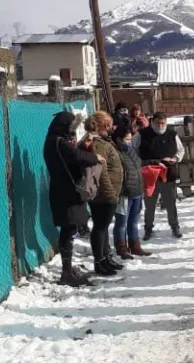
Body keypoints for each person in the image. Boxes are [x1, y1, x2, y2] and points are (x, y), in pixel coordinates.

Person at [43, 111, 101, 287]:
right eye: (70, 127)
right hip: (66, 192)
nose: (72, 131)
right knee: (68, 230)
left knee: (70, 229)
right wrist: (95, 157)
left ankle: (67, 270)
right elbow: (77, 156)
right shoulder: (58, 142)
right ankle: (66, 273)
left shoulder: (53, 141)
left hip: (64, 190)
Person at [84, 112, 125, 276]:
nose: (111, 128)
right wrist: (110, 193)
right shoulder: (97, 143)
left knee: (103, 226)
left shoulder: (102, 141)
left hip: (108, 192)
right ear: (102, 126)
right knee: (100, 227)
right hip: (103, 194)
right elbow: (101, 173)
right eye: (108, 125)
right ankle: (99, 261)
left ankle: (106, 257)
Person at [138, 112, 184, 240]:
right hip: (149, 175)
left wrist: (175, 158)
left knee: (170, 203)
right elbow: (133, 151)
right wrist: (142, 164)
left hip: (168, 174)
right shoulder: (142, 134)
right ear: (152, 122)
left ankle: (175, 226)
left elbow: (181, 150)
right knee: (150, 204)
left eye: (163, 123)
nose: (160, 126)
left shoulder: (172, 134)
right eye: (158, 123)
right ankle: (148, 228)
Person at [112, 126, 151, 259]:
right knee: (121, 222)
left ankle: (135, 246)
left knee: (133, 221)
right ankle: (121, 248)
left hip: (137, 190)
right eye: (127, 140)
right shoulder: (116, 152)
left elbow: (138, 165)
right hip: (125, 193)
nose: (129, 142)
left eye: (130, 139)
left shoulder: (131, 150)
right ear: (119, 139)